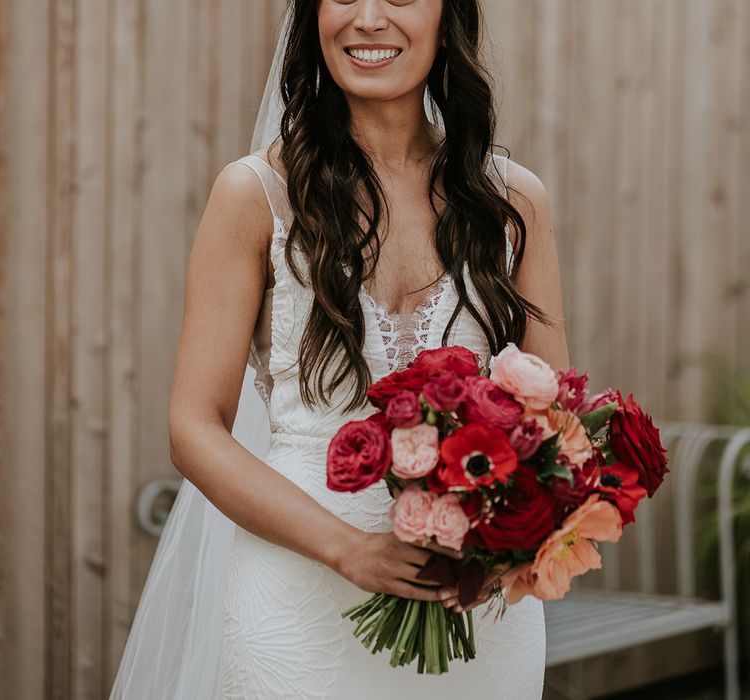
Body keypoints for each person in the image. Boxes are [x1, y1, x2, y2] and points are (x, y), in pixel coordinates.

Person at [110, 0, 569, 697]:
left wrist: (498, 545)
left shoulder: (513, 202)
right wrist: (347, 549)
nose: (368, 18)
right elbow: (194, 427)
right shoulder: (255, 196)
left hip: (476, 610)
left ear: (448, 18)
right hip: (297, 604)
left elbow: (556, 420)